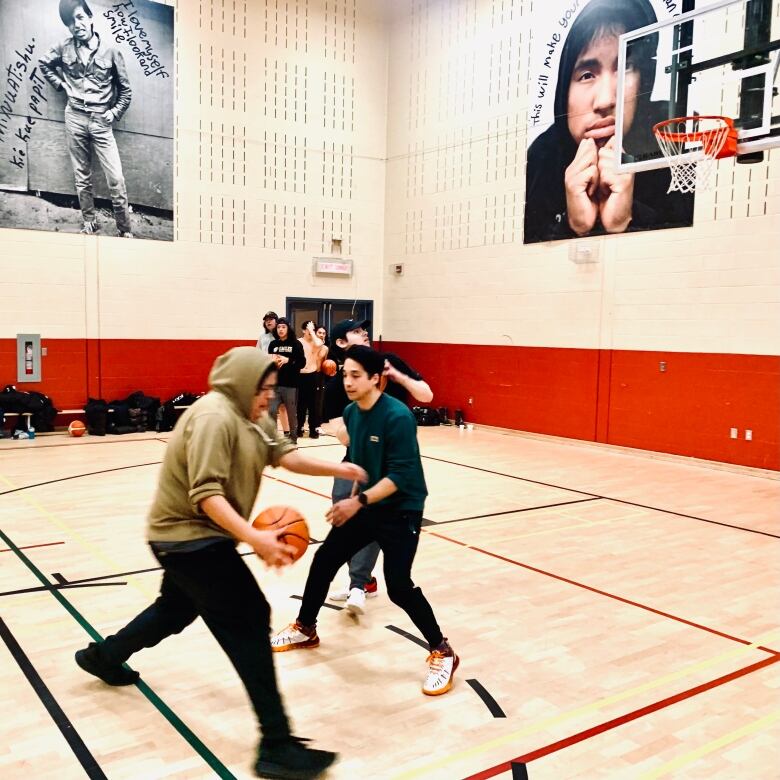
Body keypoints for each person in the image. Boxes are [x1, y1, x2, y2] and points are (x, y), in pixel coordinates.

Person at [73, 346, 367, 778]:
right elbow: (205, 494)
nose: (269, 397)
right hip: (187, 539)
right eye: (263, 389)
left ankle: (104, 656)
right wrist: (256, 539)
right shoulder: (214, 417)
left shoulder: (253, 416)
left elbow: (286, 455)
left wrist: (343, 470)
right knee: (249, 617)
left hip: (197, 540)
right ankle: (277, 745)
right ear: (241, 385)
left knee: (173, 610)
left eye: (270, 389)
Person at [271, 346, 458, 696]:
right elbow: (360, 464)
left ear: (376, 379)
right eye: (345, 374)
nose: (349, 381)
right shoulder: (352, 414)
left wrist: (358, 501)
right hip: (368, 504)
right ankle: (306, 628)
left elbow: (400, 475)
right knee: (325, 559)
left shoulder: (398, 417)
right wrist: (350, 499)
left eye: (356, 375)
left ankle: (442, 650)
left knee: (399, 586)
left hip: (402, 509)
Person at [523, 0, 694, 243]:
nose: (604, 101)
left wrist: (625, 218)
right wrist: (573, 224)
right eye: (586, 75)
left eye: (625, 68)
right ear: (564, 90)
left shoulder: (678, 138)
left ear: (645, 78)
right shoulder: (541, 161)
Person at [322, 319, 433, 615]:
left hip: (393, 465)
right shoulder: (339, 386)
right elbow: (341, 433)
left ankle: (358, 583)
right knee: (343, 514)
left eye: (363, 329)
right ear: (342, 344)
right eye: (356, 331)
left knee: (372, 516)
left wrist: (399, 377)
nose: (364, 333)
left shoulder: (389, 363)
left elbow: (426, 395)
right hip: (358, 460)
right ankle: (360, 579)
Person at [39, 0, 134, 237]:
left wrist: (114, 112)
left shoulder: (111, 50)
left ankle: (124, 229)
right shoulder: (63, 47)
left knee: (116, 179)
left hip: (102, 121)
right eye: (70, 22)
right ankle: (89, 222)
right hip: (75, 118)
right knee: (82, 177)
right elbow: (44, 63)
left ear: (90, 18)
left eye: (80, 17)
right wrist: (61, 85)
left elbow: (126, 90)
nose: (76, 25)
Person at [268, 317, 305, 444]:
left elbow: (302, 362)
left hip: (291, 384)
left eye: (283, 327)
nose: (280, 329)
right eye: (278, 327)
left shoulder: (296, 344)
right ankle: (272, 439)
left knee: (291, 414)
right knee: (271, 410)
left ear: (288, 328)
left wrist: (288, 360)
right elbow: (270, 362)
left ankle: (293, 440)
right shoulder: (273, 344)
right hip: (275, 384)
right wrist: (272, 363)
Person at [296, 320, 324, 440]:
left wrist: (312, 331)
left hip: (312, 375)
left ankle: (313, 429)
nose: (309, 332)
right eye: (307, 329)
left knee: (313, 405)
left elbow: (319, 343)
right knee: (301, 405)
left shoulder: (316, 342)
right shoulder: (298, 342)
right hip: (300, 376)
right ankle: (300, 427)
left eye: (311, 329)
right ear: (303, 330)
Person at [313, 325, 330, 434]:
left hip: (319, 376)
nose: (322, 335)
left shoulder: (325, 348)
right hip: (308, 374)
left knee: (318, 401)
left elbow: (324, 362)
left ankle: (317, 425)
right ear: (315, 333)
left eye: (324, 333)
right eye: (320, 332)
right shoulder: (310, 345)